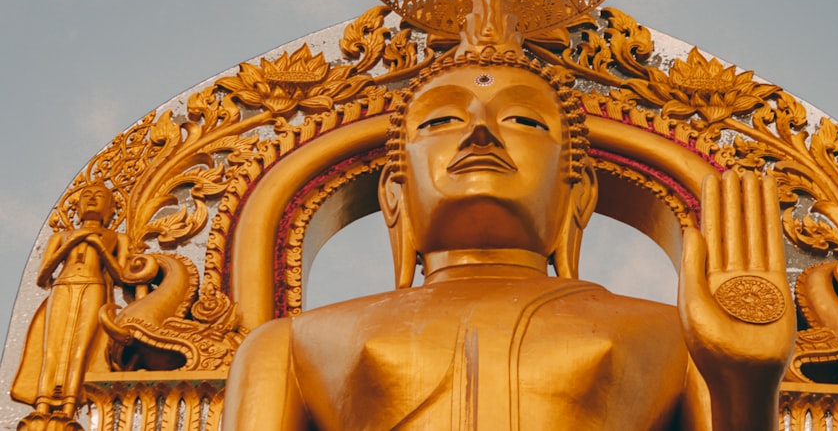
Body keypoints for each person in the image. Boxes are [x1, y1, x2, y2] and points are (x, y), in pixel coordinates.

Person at [223, 49, 795, 430]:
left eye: (524, 121)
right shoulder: (292, 345)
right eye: (438, 122)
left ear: (579, 195)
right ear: (393, 194)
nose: (479, 133)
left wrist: (746, 388)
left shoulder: (676, 338)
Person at [12, 182, 130, 430]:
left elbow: (120, 277)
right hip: (62, 287)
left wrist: (99, 246)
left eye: (100, 196)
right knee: (52, 348)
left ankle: (69, 405)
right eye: (87, 196)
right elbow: (43, 278)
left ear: (111, 208)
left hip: (94, 286)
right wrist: (70, 243)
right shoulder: (61, 236)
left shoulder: (116, 237)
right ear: (77, 206)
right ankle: (43, 404)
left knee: (81, 350)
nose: (92, 199)